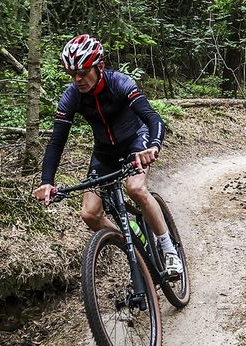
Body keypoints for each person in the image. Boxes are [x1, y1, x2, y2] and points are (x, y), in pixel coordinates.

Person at [33, 34, 183, 275]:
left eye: (83, 72)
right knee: (89, 214)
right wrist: (46, 182)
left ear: (99, 66)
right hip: (104, 152)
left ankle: (169, 250)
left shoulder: (119, 83)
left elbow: (153, 118)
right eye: (73, 74)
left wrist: (153, 146)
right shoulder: (71, 96)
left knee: (135, 189)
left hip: (136, 141)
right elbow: (56, 142)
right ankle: (135, 250)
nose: (78, 79)